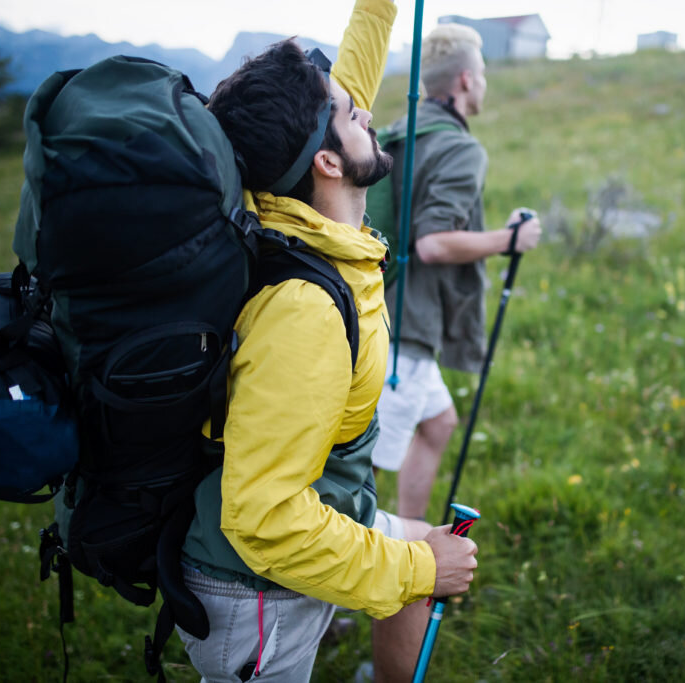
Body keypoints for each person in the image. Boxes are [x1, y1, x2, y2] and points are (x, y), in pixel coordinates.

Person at [175, 2, 478, 681]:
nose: (366, 111)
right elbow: (264, 516)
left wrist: (378, 8)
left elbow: (347, 95)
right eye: (350, 112)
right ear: (327, 162)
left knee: (424, 552)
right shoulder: (304, 309)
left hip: (325, 513)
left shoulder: (306, 214)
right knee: (426, 559)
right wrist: (417, 565)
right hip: (254, 596)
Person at [372, 24, 542, 519]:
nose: (485, 82)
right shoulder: (462, 149)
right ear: (466, 80)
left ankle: (417, 556)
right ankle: (397, 587)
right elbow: (433, 242)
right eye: (483, 73)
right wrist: (510, 241)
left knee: (439, 423)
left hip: (373, 312)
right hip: (407, 334)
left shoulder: (398, 132)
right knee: (361, 475)